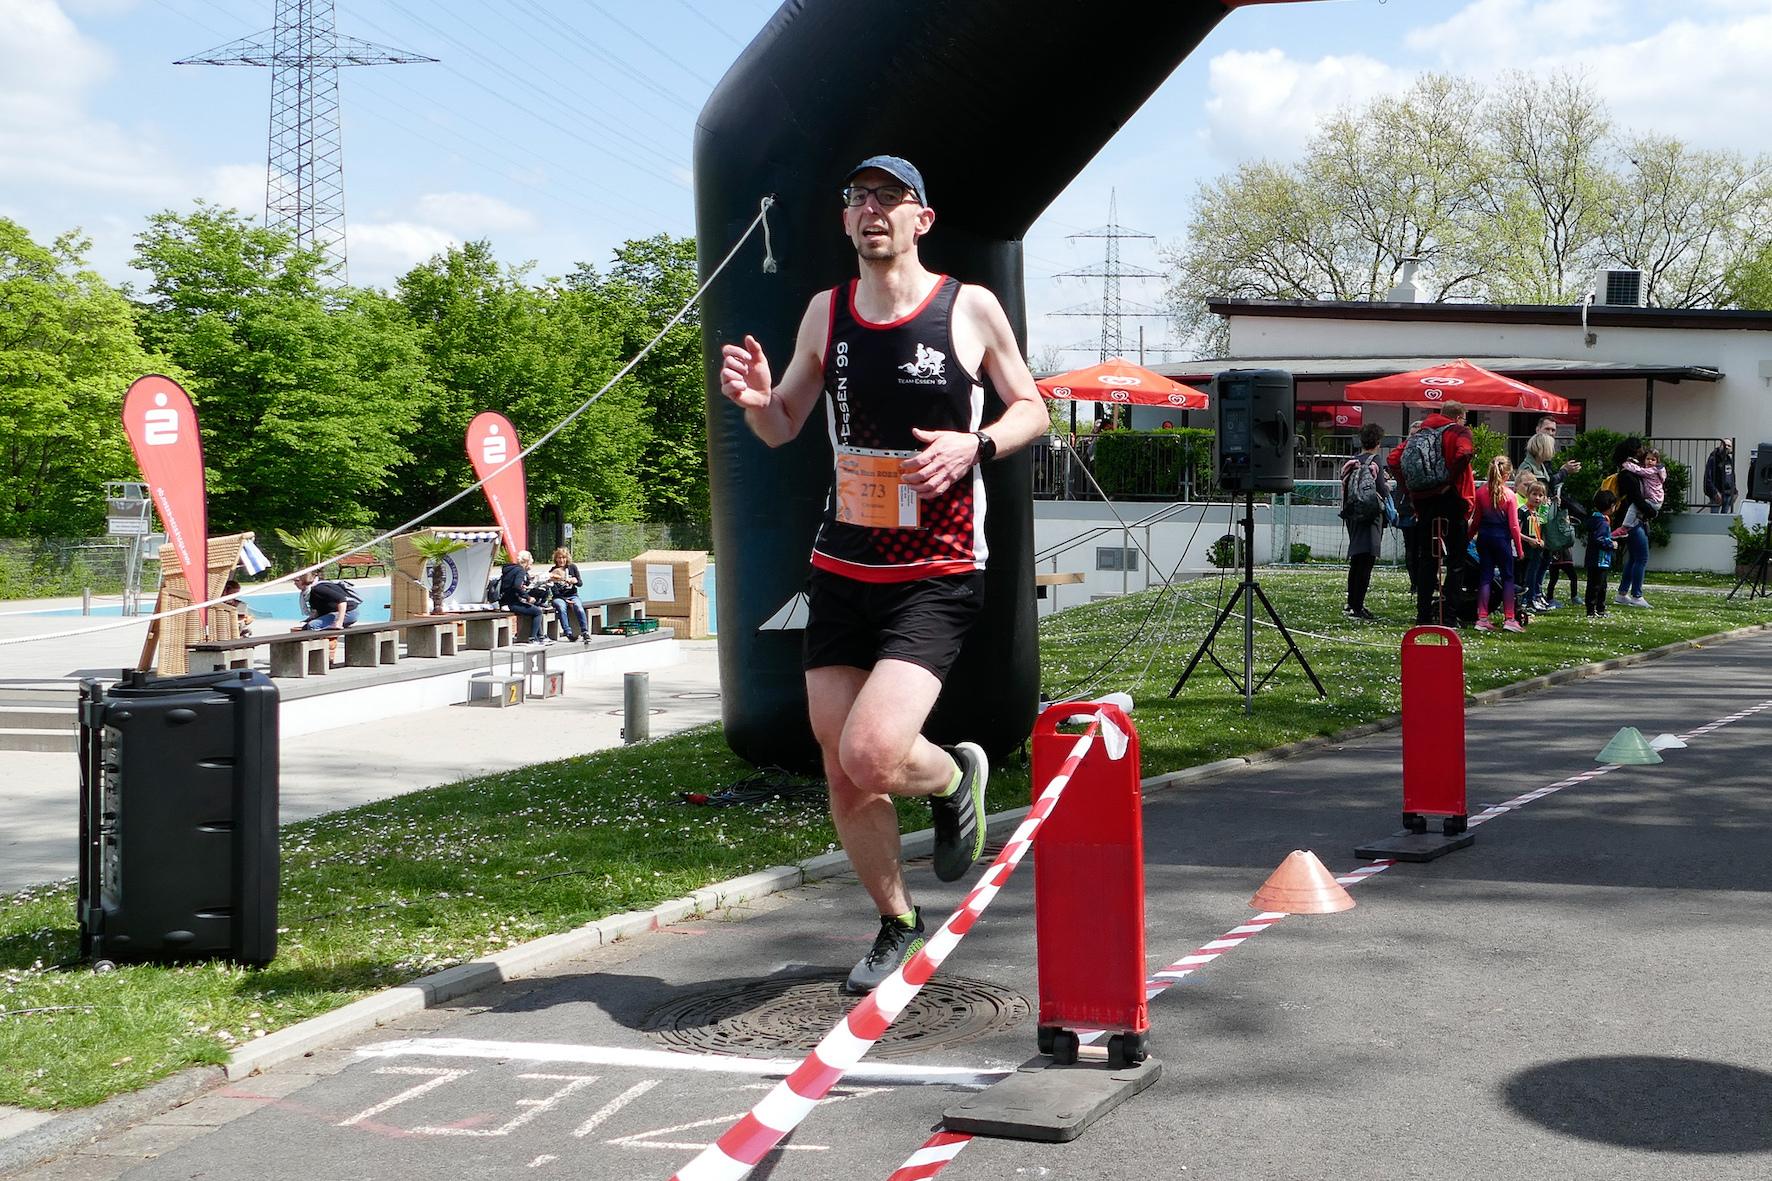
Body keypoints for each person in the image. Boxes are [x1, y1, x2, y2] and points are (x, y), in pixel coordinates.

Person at [718, 154, 1048, 994]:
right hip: (842, 565)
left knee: (870, 754)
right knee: (839, 763)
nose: (870, 211)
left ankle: (952, 773)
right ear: (845, 221)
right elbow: (785, 423)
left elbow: (1033, 408)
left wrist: (977, 445)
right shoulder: (824, 313)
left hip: (936, 569)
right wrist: (759, 403)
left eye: (888, 199)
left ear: (920, 219)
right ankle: (897, 919)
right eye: (857, 199)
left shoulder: (967, 307)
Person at [1389, 402, 1476, 626]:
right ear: (1458, 417)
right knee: (1456, 559)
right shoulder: (1458, 431)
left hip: (1424, 500)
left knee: (1427, 558)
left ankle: (1423, 615)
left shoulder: (1421, 432)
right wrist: (1448, 479)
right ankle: (1449, 615)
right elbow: (1465, 452)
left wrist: (1409, 486)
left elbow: (1393, 459)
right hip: (1452, 497)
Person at [1514, 431, 1579, 610]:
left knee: (1543, 560)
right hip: (1532, 523)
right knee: (1534, 563)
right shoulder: (1528, 468)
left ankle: (1536, 593)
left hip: (1542, 518)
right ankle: (1529, 596)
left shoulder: (1541, 466)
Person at [1339, 421, 1390, 621]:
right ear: (1378, 441)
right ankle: (1358, 606)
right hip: (1370, 516)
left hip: (1353, 514)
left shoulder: (1354, 461)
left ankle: (1351, 603)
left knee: (1356, 560)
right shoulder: (1375, 460)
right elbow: (1381, 489)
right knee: (1366, 562)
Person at [1469, 456, 1525, 632]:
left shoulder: (1481, 492)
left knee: (1485, 577)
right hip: (1502, 540)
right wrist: (1520, 548)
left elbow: (1476, 520)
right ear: (1507, 475)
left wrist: (1468, 537)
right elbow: (1514, 526)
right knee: (1508, 578)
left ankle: (1482, 617)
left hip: (1484, 538)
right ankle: (1509, 618)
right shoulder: (1509, 496)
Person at [1610, 438, 1655, 608]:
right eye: (1640, 448)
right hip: (1632, 519)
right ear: (1634, 452)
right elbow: (1636, 498)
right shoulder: (1628, 474)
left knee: (1634, 557)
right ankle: (1636, 594)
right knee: (1641, 557)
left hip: (1632, 518)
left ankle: (1623, 593)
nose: (1643, 451)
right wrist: (1651, 511)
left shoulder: (1629, 472)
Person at [1517, 479, 1551, 619]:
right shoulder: (1522, 511)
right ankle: (1523, 601)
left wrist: (1540, 540)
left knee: (1534, 575)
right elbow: (1516, 531)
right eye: (1534, 494)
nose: (1537, 498)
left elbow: (1541, 527)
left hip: (1537, 550)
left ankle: (1532, 599)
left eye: (1540, 495)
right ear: (1528, 494)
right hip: (1526, 550)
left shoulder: (1539, 513)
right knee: (1524, 576)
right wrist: (1529, 540)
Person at [1585, 489, 1622, 616]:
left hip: (1597, 560)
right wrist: (1611, 544)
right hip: (1599, 560)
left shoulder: (1597, 520)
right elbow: (1599, 539)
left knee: (1600, 585)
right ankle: (1592, 610)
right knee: (1596, 586)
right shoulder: (1602, 522)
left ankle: (1599, 609)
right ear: (1611, 506)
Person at [498, 550, 548, 643]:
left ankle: (540, 637)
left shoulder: (511, 569)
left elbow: (511, 585)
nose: (531, 566)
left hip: (505, 601)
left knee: (535, 608)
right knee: (537, 612)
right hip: (512, 603)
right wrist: (528, 597)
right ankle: (532, 638)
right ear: (526, 562)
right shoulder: (520, 570)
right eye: (531, 564)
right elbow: (517, 586)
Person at [291, 572, 360, 632]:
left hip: (349, 612)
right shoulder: (310, 591)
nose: (294, 584)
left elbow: (342, 600)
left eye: (297, 581)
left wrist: (339, 622)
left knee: (312, 626)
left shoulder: (318, 589)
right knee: (305, 628)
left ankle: (325, 644)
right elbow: (318, 609)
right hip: (337, 612)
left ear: (304, 580)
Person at [546, 547, 589, 642]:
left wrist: (575, 581)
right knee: (561, 607)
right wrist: (565, 600)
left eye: (563, 558)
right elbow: (554, 591)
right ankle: (568, 632)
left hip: (572, 595)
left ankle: (585, 632)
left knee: (579, 607)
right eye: (559, 558)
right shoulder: (553, 571)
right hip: (559, 597)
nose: (561, 560)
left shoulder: (572, 567)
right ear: (556, 559)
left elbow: (580, 583)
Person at [1703, 439, 1736, 514]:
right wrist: (1715, 493)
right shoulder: (1713, 458)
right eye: (1725, 445)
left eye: (1729, 446)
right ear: (1720, 445)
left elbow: (1732, 476)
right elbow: (1707, 478)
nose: (1726, 447)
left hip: (1728, 494)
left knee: (1724, 519)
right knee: (1714, 518)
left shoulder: (1729, 460)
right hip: (1717, 495)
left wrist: (1735, 492)